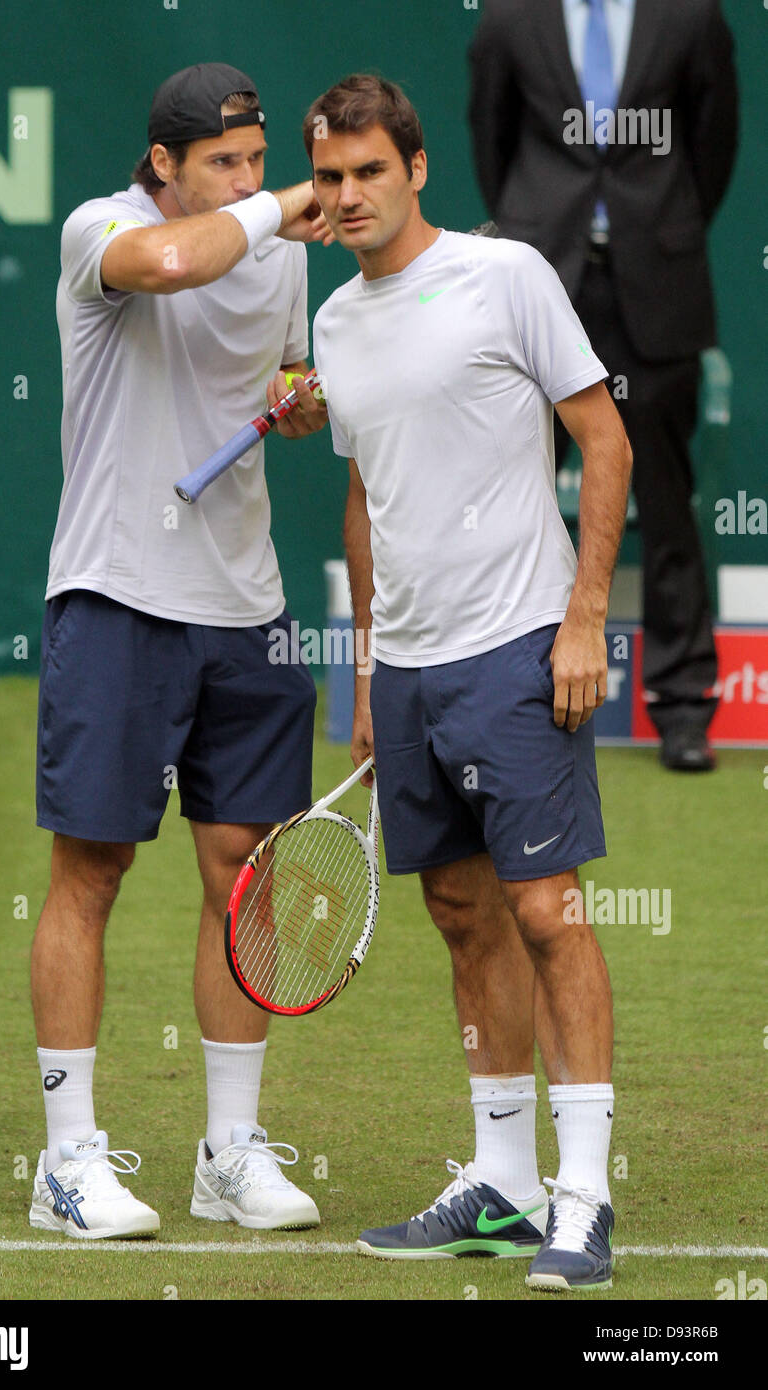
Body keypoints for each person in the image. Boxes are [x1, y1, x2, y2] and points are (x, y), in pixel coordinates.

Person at [307, 74, 632, 1290]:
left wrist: (585, 617)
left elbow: (605, 438)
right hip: (411, 668)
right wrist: (366, 669)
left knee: (549, 912)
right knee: (462, 913)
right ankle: (500, 1182)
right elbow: (364, 500)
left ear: (418, 168)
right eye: (330, 178)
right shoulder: (335, 325)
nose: (347, 196)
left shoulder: (508, 277)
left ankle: (582, 1196)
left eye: (368, 172)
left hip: (518, 644)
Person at [30, 62, 330, 1239]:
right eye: (225, 164)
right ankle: (65, 1165)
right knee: (89, 874)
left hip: (243, 606)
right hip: (115, 589)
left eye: (259, 162)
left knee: (242, 879)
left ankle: (230, 1154)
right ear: (164, 164)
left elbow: (288, 376)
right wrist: (272, 211)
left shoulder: (277, 248)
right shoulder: (102, 229)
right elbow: (173, 263)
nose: (251, 185)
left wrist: (297, 397)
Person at [469, 0, 739, 771]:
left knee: (665, 499)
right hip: (535, 275)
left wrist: (655, 227)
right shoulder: (507, 17)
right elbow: (492, 141)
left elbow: (710, 144)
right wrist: (535, 232)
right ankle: (498, 693)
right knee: (501, 492)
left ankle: (683, 710)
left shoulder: (690, 15)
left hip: (658, 282)